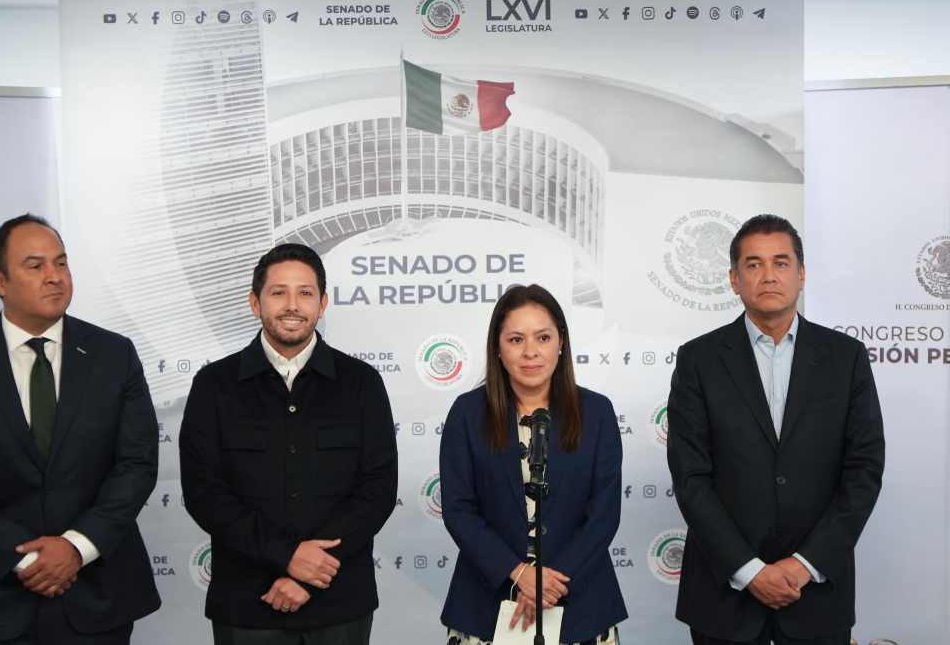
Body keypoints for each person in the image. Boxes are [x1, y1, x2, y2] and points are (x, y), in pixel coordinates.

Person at [0, 214, 161, 644]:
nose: (55, 277)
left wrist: (77, 547)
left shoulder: (114, 355)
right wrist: (24, 560)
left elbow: (137, 464)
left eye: (61, 263)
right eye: (35, 266)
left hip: (97, 597)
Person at [667, 214, 885, 645]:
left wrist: (804, 564)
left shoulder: (846, 358)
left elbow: (863, 471)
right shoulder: (699, 360)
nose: (768, 275)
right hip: (723, 600)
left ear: (801, 274)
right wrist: (749, 571)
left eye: (781, 263)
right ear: (733, 279)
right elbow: (691, 478)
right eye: (753, 264)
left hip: (817, 594)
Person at [179, 243, 397, 645]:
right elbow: (204, 493)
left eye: (305, 293)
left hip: (339, 602)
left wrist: (312, 572)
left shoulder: (361, 383)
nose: (292, 305)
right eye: (278, 292)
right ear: (254, 302)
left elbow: (377, 489)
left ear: (323, 302)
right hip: (248, 603)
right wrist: (287, 556)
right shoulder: (214, 387)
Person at [439, 284, 627, 645]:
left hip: (581, 599)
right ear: (497, 347)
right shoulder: (467, 413)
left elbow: (604, 514)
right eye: (515, 340)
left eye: (542, 337)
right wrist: (518, 574)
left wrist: (549, 583)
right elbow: (459, 510)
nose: (530, 352)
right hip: (486, 602)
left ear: (561, 343)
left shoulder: (597, 412)